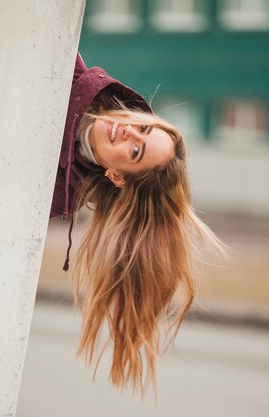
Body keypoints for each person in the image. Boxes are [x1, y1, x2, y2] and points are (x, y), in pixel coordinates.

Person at [50, 53, 224, 394]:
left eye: (135, 152)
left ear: (117, 177)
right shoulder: (69, 67)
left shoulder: (54, 194)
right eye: (143, 127)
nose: (127, 131)